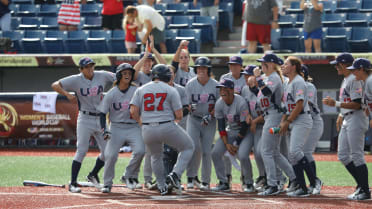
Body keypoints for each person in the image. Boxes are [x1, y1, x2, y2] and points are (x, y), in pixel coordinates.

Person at [51, 57, 115, 193]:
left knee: (109, 152)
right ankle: (73, 183)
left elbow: (119, 77)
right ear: (81, 69)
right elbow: (55, 84)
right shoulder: (76, 79)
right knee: (82, 150)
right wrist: (66, 94)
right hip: (85, 118)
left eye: (92, 66)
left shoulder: (102, 75)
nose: (90, 69)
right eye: (87, 67)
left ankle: (93, 174)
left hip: (101, 118)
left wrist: (115, 89)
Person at [130, 64, 195, 195]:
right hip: (166, 125)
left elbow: (133, 111)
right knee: (188, 147)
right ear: (166, 75)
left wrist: (142, 122)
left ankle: (161, 185)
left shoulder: (141, 89)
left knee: (155, 156)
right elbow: (179, 115)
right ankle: (175, 174)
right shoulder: (171, 90)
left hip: (147, 128)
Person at [323, 55, 370, 200]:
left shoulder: (354, 79)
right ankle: (361, 185)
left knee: (357, 155)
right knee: (343, 155)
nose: (336, 67)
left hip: (356, 117)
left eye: (338, 65)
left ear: (344, 64)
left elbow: (356, 104)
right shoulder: (347, 79)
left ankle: (364, 190)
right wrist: (341, 114)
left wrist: (336, 104)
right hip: (348, 117)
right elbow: (349, 101)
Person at [98, 63, 145, 193]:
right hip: (116, 126)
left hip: (134, 126)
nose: (127, 76)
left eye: (129, 73)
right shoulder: (112, 93)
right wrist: (104, 129)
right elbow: (102, 113)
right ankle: (107, 183)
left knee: (141, 151)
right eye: (124, 73)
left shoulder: (136, 90)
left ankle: (128, 175)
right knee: (110, 155)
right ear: (118, 75)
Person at [254, 53, 296, 196]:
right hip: (270, 116)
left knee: (266, 151)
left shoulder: (273, 78)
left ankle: (273, 184)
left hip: (274, 116)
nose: (261, 65)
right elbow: (262, 98)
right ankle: (293, 178)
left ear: (271, 64)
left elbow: (266, 92)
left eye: (264, 63)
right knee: (274, 152)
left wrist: (258, 78)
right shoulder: (269, 77)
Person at [279, 56, 313, 197]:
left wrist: (287, 122)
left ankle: (312, 183)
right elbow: (287, 107)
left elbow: (299, 105)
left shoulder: (298, 81)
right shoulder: (288, 82)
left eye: (286, 64)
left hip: (302, 119)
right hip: (294, 119)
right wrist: (283, 121)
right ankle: (301, 185)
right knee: (292, 156)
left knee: (294, 152)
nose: (283, 66)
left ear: (294, 67)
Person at [212, 78, 253, 192]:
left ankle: (249, 182)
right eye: (221, 89)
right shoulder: (219, 103)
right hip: (230, 131)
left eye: (226, 88)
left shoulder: (240, 102)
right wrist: (227, 144)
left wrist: (236, 144)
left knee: (243, 155)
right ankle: (223, 181)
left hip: (245, 132)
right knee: (215, 153)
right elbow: (220, 126)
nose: (223, 91)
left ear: (232, 90)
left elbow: (245, 125)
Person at [185, 56, 219, 191]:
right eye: (199, 68)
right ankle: (190, 177)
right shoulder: (190, 84)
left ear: (208, 69)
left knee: (206, 151)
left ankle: (205, 181)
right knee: (192, 147)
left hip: (209, 121)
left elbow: (219, 104)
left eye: (204, 68)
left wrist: (210, 115)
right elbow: (187, 104)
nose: (201, 70)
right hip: (194, 119)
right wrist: (189, 108)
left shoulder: (215, 84)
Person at [240, 65, 266, 191]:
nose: (246, 77)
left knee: (261, 153)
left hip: (264, 125)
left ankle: (268, 177)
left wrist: (255, 121)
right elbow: (244, 107)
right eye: (245, 75)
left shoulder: (264, 88)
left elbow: (267, 112)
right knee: (244, 154)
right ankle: (249, 181)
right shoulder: (245, 89)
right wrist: (248, 115)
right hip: (253, 127)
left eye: (248, 75)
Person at [301, 64, 324, 195]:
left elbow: (306, 104)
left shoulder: (309, 86)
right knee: (299, 153)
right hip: (303, 122)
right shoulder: (292, 85)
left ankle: (315, 181)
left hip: (314, 122)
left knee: (306, 152)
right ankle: (312, 181)